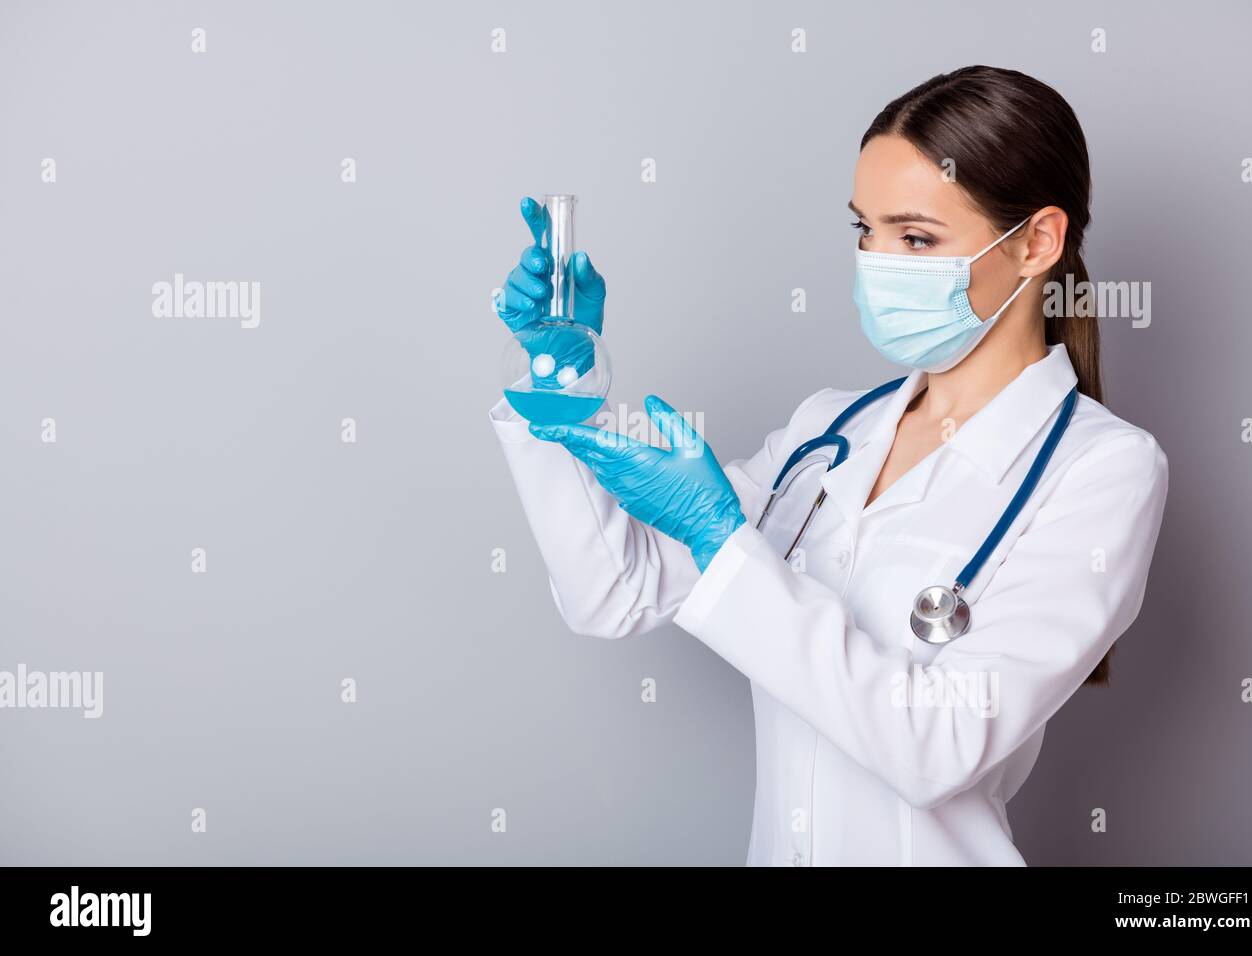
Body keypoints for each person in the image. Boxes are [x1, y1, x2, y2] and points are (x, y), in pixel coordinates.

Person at [488, 65, 1169, 866]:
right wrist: (564, 389)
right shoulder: (828, 430)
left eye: (915, 237)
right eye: (865, 230)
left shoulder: (1103, 469)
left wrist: (721, 539)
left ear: (1036, 242)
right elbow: (614, 593)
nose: (877, 262)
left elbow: (936, 748)